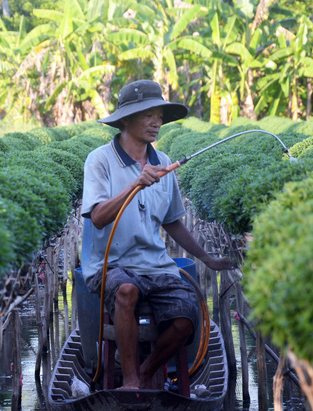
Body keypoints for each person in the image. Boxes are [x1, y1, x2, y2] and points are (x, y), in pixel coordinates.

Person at [81, 80, 235, 390]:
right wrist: (136, 183)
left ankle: (147, 370)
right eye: (148, 115)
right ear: (125, 120)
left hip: (155, 266)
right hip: (110, 266)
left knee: (187, 316)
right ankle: (131, 381)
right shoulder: (100, 160)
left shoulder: (163, 163)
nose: (156, 123)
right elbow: (97, 217)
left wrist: (209, 259)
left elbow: (173, 222)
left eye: (160, 116)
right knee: (125, 292)